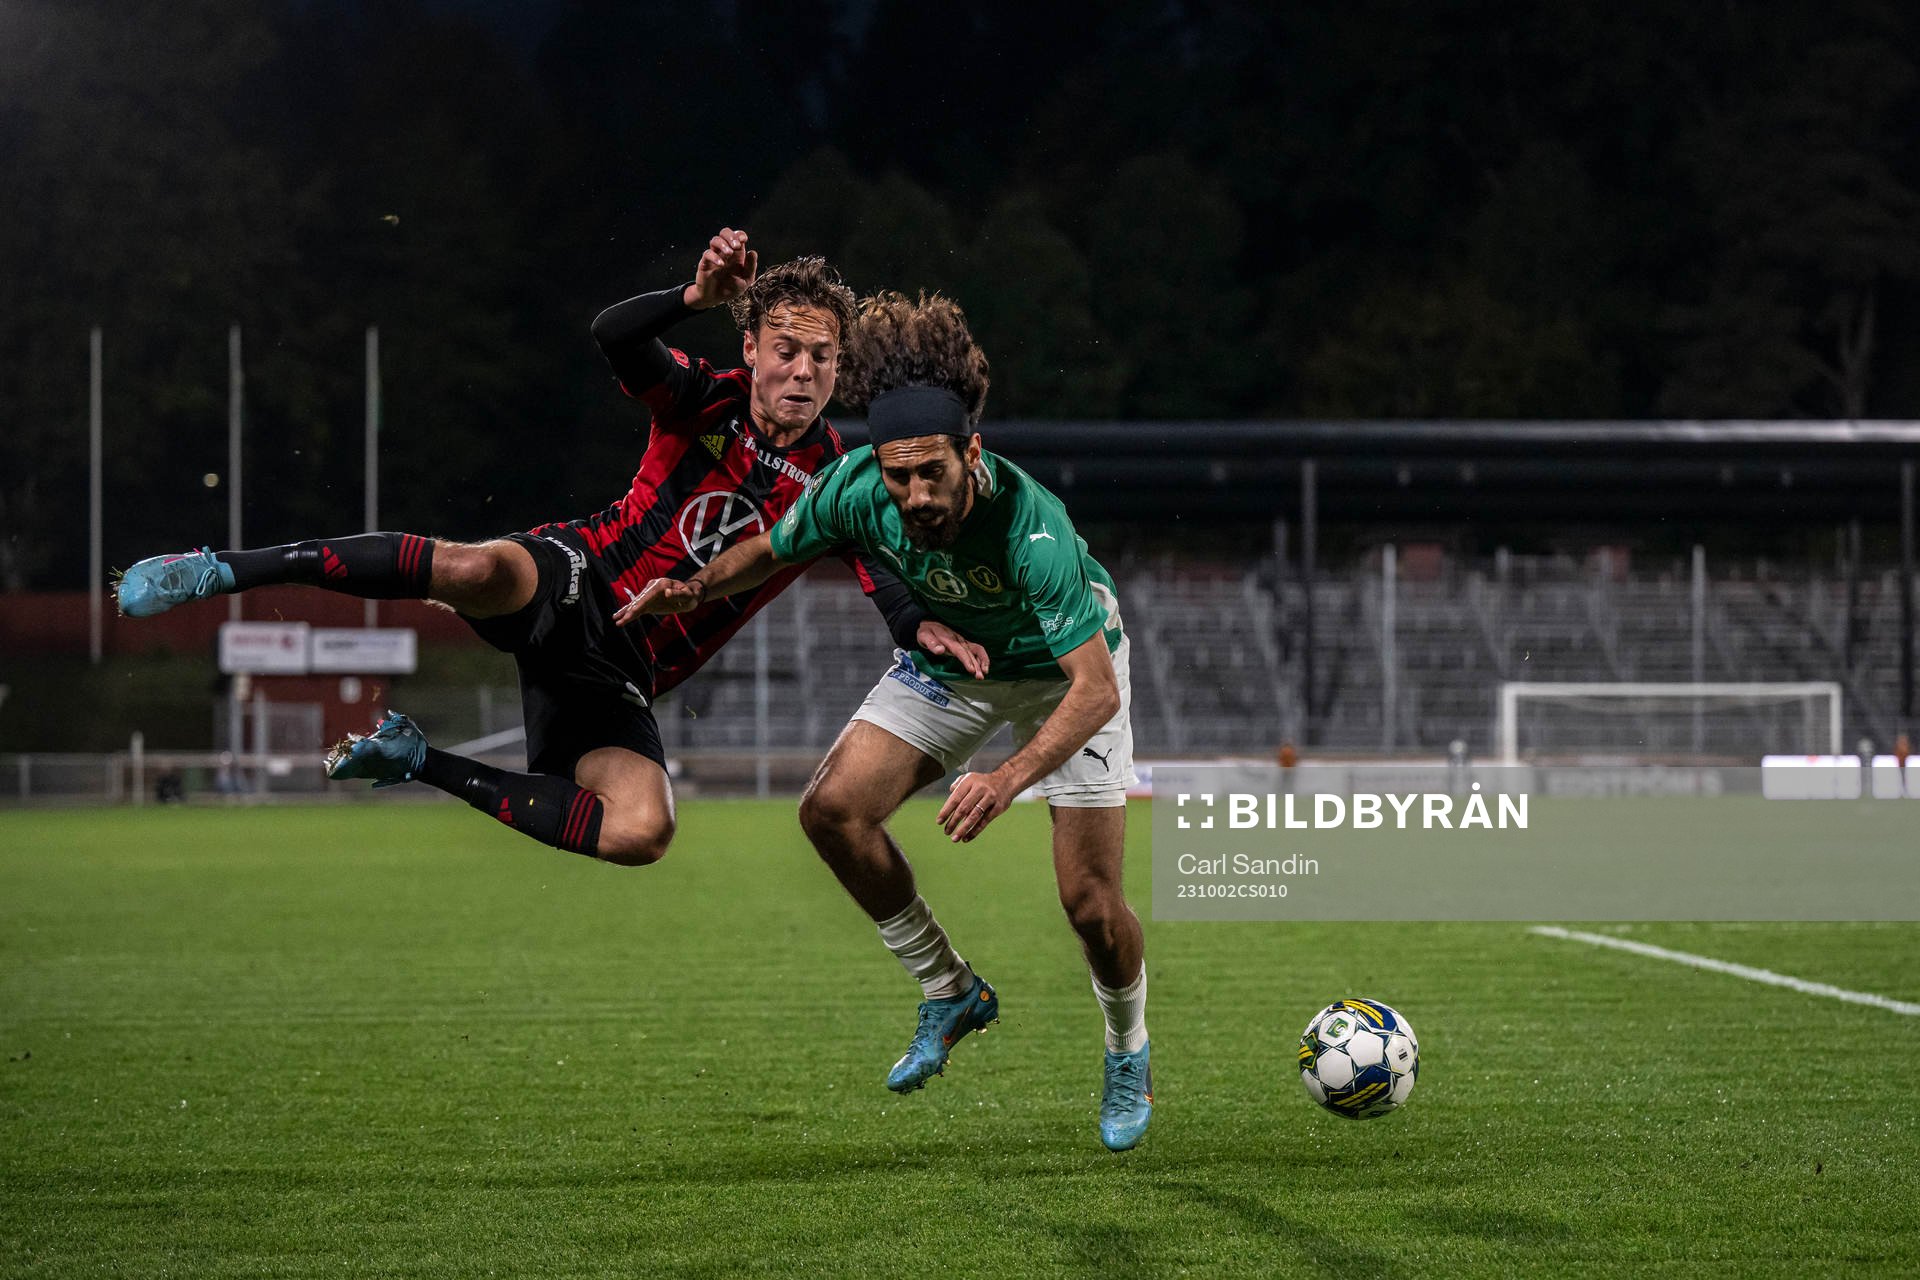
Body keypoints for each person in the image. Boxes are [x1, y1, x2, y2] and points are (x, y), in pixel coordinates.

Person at [114, 231, 983, 865]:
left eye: (822, 357)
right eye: (786, 350)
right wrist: (692, 298)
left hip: (623, 672)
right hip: (578, 577)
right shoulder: (702, 398)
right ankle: (223, 569)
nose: (803, 371)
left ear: (838, 369)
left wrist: (920, 628)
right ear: (750, 349)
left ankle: (414, 757)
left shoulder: (840, 478)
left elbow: (883, 576)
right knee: (474, 567)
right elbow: (614, 335)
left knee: (644, 830)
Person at [619, 292, 1152, 1151]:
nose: (914, 495)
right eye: (899, 476)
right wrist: (695, 587)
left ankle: (1128, 1049)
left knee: (1089, 905)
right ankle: (950, 990)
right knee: (832, 811)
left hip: (1062, 679)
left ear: (971, 453)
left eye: (932, 473)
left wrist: (1005, 779)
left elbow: (1094, 691)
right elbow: (773, 548)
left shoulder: (1032, 528)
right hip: (957, 668)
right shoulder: (858, 488)